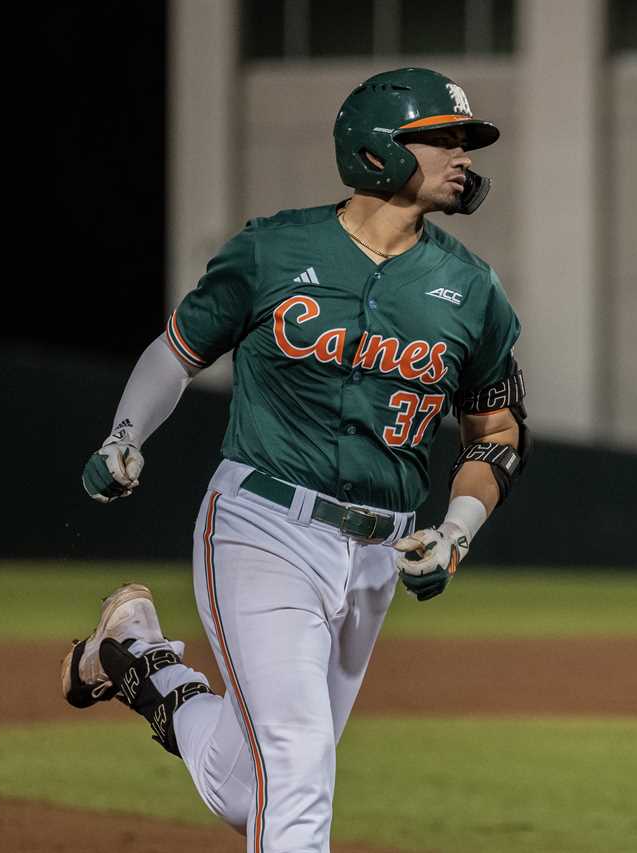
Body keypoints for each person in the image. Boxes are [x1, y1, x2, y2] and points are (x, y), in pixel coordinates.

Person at [61, 67, 529, 853]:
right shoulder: (274, 248)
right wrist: (124, 435)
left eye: (465, 139)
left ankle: (139, 662)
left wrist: (456, 529)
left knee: (256, 784)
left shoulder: (472, 289)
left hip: (381, 551)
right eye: (442, 137)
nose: (463, 154)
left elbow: (498, 432)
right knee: (300, 761)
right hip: (262, 524)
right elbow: (178, 352)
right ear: (380, 147)